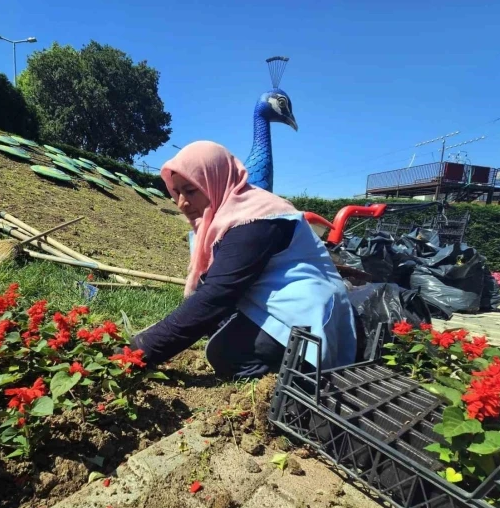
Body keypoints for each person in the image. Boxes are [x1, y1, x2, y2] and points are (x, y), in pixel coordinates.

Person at [129, 141, 357, 379]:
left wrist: (139, 350)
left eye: (191, 190)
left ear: (214, 181)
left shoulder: (255, 220)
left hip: (305, 316)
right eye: (177, 192)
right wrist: (152, 336)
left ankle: (283, 380)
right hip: (273, 302)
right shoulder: (228, 216)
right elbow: (211, 290)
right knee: (213, 325)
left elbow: (216, 296)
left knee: (225, 351)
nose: (181, 203)